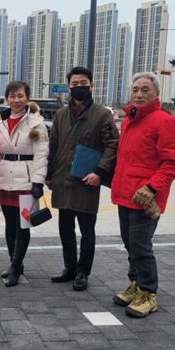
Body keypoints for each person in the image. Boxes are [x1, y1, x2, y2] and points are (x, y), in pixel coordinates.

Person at [111, 72, 175, 318]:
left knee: (141, 247)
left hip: (146, 198)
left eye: (145, 90)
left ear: (156, 94)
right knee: (131, 245)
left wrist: (151, 188)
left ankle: (148, 294)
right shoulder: (130, 119)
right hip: (125, 195)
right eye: (135, 89)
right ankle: (136, 284)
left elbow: (173, 163)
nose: (139, 94)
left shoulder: (164, 121)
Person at [47, 66, 118, 291]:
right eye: (75, 84)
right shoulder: (60, 114)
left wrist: (99, 172)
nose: (79, 87)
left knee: (87, 230)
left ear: (92, 85)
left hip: (87, 180)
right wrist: (48, 174)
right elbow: (53, 145)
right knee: (65, 228)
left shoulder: (102, 114)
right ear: (69, 86)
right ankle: (69, 267)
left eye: (83, 83)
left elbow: (112, 145)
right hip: (62, 180)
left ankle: (83, 272)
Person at [0, 81, 49, 286]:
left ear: (27, 98)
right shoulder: (0, 123)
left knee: (23, 226)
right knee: (9, 225)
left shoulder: (36, 123)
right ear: (6, 99)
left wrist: (38, 182)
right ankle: (15, 263)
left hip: (26, 180)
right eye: (12, 96)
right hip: (5, 178)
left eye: (20, 96)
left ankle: (16, 266)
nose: (16, 100)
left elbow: (41, 154)